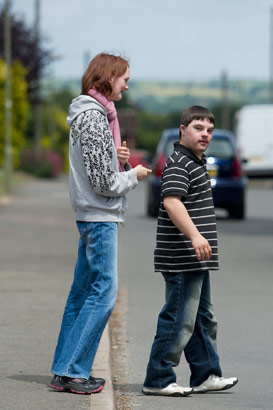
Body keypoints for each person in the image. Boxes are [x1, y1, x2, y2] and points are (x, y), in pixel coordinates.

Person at [50, 52, 151, 395]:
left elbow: (98, 167)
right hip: (98, 217)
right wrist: (134, 175)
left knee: (81, 295)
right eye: (124, 78)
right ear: (109, 78)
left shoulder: (92, 114)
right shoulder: (93, 117)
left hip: (91, 215)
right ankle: (75, 372)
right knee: (103, 293)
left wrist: (115, 158)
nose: (127, 83)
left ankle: (65, 369)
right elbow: (103, 183)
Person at [142, 105, 238, 397]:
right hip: (181, 256)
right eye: (198, 128)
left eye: (209, 129)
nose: (205, 134)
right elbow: (171, 201)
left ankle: (206, 374)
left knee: (201, 317)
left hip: (195, 258)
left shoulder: (196, 161)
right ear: (183, 130)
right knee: (178, 318)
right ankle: (157, 378)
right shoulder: (179, 163)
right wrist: (195, 235)